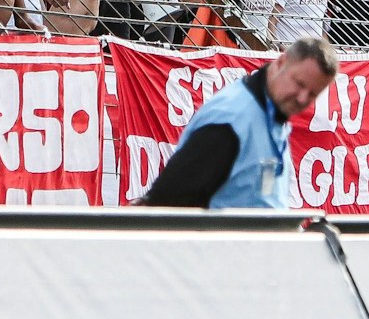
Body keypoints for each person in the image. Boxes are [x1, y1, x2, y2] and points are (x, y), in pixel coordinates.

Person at [139, 37, 337, 209]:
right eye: (299, 84)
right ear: (280, 62)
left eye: (313, 94)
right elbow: (165, 204)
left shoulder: (274, 112)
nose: (302, 98)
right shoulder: (231, 119)